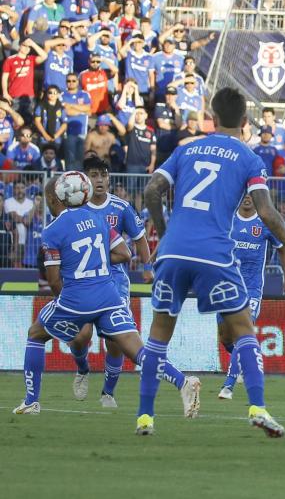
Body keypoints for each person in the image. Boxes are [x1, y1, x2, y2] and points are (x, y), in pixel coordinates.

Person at [138, 87, 285, 437]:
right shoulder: (249, 158)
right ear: (244, 121)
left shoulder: (186, 149)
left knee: (159, 334)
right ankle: (258, 408)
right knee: (243, 330)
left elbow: (150, 191)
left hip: (174, 249)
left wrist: (165, 234)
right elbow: (266, 211)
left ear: (213, 117)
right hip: (214, 252)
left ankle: (145, 418)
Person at [13, 175, 199, 416]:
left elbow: (54, 280)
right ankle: (183, 382)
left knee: (36, 334)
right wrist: (95, 259)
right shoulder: (99, 219)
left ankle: (31, 402)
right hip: (109, 296)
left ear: (54, 197)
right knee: (138, 350)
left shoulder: (52, 230)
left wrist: (65, 302)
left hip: (76, 299)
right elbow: (124, 253)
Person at [65, 156, 160, 406]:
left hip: (114, 280)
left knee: (115, 340)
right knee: (80, 336)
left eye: (103, 175)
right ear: (85, 180)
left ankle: (108, 393)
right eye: (93, 175)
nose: (99, 180)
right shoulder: (76, 209)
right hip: (84, 280)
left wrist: (147, 267)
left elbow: (140, 238)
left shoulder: (121, 207)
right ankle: (82, 368)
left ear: (109, 179)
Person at [217, 194, 285, 400]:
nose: (248, 198)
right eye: (245, 194)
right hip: (226, 286)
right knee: (224, 337)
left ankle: (228, 386)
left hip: (251, 288)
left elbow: (283, 249)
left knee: (241, 331)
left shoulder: (265, 222)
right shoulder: (227, 219)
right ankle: (244, 362)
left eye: (252, 195)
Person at [61, 73, 92, 170]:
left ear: (78, 82)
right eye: (68, 81)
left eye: (73, 81)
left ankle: (80, 179)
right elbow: (67, 111)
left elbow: (88, 109)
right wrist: (82, 110)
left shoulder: (84, 94)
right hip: (69, 132)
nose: (71, 83)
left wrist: (71, 105)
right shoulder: (62, 95)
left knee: (81, 159)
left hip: (83, 132)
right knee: (70, 160)